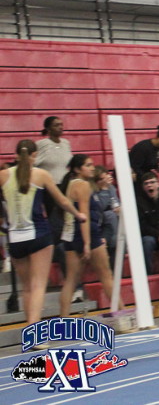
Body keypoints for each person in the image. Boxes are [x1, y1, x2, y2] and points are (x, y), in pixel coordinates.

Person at [1, 140, 84, 337]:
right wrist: (78, 214)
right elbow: (62, 200)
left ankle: (29, 331)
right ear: (35, 155)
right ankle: (34, 334)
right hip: (38, 234)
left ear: (16, 155)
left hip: (15, 237)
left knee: (27, 288)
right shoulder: (41, 175)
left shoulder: (3, 175)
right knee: (38, 286)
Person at [58, 155, 114, 317]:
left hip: (70, 235)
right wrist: (87, 243)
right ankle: (121, 313)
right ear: (77, 169)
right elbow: (84, 216)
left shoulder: (71, 184)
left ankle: (63, 319)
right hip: (86, 234)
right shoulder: (82, 185)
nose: (92, 168)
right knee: (106, 276)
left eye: (92, 165)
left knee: (70, 280)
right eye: (88, 165)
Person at [129, 125, 159, 194]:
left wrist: (157, 167)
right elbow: (134, 167)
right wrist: (147, 178)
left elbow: (153, 162)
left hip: (146, 177)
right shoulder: (143, 147)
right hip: (135, 178)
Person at [92, 165, 121, 258]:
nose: (105, 180)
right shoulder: (93, 191)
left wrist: (118, 207)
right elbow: (100, 207)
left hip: (112, 221)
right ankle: (112, 244)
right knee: (109, 214)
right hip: (100, 223)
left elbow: (115, 203)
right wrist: (104, 189)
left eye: (106, 177)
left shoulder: (110, 187)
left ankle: (117, 244)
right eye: (102, 179)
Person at [35, 116, 73, 185]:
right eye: (56, 125)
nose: (60, 127)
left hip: (65, 184)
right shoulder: (42, 144)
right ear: (48, 129)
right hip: (48, 185)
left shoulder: (66, 143)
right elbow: (33, 164)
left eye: (61, 124)